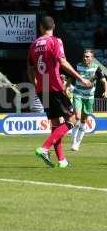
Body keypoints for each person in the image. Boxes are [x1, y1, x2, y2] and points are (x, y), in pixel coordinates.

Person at [27, 16, 91, 168]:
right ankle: (44, 148)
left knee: (56, 124)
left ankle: (62, 160)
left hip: (42, 87)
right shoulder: (55, 41)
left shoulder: (34, 44)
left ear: (41, 27)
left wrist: (34, 83)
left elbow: (30, 68)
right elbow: (62, 62)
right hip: (55, 86)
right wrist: (81, 78)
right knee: (75, 117)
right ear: (53, 26)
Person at [71, 50, 107, 151]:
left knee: (83, 120)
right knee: (77, 117)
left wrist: (106, 91)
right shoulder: (78, 66)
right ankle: (73, 142)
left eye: (87, 57)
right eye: (84, 56)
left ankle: (78, 142)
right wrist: (66, 87)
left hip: (89, 97)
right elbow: (71, 76)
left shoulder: (97, 68)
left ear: (92, 58)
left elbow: (104, 81)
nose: (85, 58)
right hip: (78, 94)